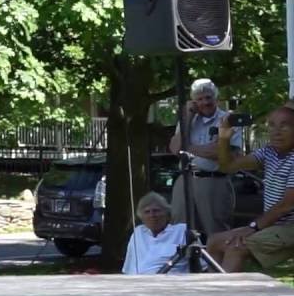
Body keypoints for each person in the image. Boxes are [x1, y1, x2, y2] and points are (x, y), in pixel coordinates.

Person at [206, 103, 294, 273]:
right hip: (274, 225)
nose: (276, 131)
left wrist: (252, 227)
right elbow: (228, 166)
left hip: (289, 227)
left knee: (235, 247)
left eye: (284, 125)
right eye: (272, 125)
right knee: (214, 241)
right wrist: (224, 138)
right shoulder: (269, 152)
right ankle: (211, 294)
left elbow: (287, 205)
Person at [168, 79, 240, 238]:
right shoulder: (187, 119)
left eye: (208, 98)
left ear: (217, 99)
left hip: (214, 180)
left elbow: (224, 155)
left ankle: (217, 263)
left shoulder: (228, 120)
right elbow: (174, 148)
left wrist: (187, 148)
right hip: (185, 179)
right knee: (179, 231)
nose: (205, 103)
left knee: (217, 232)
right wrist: (187, 116)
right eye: (199, 99)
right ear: (193, 101)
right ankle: (186, 262)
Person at [122, 192, 188, 274]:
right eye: (147, 212)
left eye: (156, 211)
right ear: (141, 217)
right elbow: (128, 269)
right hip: (138, 284)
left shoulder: (181, 231)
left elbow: (202, 266)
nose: (152, 215)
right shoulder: (138, 233)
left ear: (166, 213)